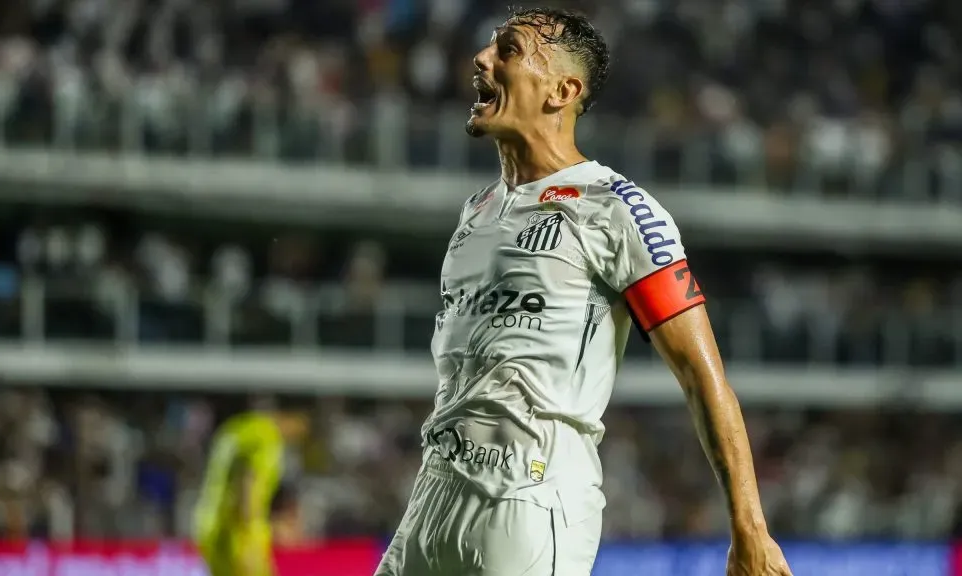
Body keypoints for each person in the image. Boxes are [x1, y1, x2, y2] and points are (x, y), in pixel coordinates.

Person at [375, 7, 793, 576]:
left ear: (562, 90)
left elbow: (703, 375)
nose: (481, 60)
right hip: (432, 497)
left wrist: (750, 529)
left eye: (508, 51)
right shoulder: (477, 212)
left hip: (527, 502)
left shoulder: (615, 209)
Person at [193, 407, 307, 576]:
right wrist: (248, 538)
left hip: (208, 524)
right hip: (239, 530)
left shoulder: (237, 427)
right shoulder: (266, 437)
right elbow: (250, 484)